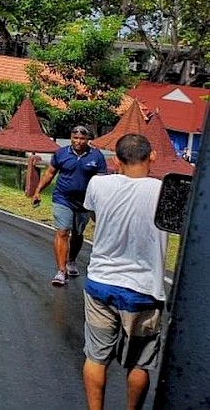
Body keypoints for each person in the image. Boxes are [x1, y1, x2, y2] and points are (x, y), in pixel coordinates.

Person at [81, 133, 168, 410]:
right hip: (144, 291)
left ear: (116, 160)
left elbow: (93, 214)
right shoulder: (164, 191)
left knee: (96, 357)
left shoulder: (98, 184)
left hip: (101, 284)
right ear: (151, 156)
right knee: (140, 363)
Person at [31, 125, 107, 286]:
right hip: (62, 198)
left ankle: (71, 260)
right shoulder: (61, 154)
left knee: (78, 234)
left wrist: (100, 204)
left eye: (82, 138)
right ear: (71, 138)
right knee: (63, 231)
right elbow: (50, 173)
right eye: (75, 138)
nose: (78, 141)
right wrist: (38, 191)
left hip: (85, 202)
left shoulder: (97, 157)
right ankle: (61, 271)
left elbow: (101, 182)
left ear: (88, 140)